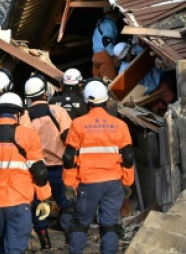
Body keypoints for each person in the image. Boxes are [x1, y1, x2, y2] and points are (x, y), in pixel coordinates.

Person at [0, 92, 53, 254]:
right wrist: (44, 199)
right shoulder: (28, 135)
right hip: (18, 203)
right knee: (15, 248)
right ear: (19, 113)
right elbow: (40, 172)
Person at [63, 80, 135, 254]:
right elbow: (128, 157)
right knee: (110, 225)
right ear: (105, 99)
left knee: (80, 224)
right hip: (113, 182)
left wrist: (68, 184)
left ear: (87, 100)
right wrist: (127, 182)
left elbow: (69, 158)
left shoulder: (78, 124)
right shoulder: (120, 125)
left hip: (88, 183)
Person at [23, 75, 73, 250]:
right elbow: (69, 138)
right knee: (65, 203)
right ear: (45, 93)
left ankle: (45, 241)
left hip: (36, 170)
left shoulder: (25, 117)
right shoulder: (58, 112)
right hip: (60, 168)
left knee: (39, 205)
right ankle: (69, 239)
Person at [91, 10, 121, 80]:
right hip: (104, 56)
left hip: (95, 56)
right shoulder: (109, 23)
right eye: (117, 14)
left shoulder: (100, 22)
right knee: (110, 82)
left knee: (97, 82)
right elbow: (106, 40)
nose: (118, 16)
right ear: (112, 13)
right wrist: (114, 55)